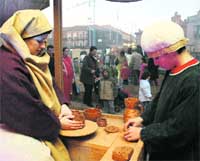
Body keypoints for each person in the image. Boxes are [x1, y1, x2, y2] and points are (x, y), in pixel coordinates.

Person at [0, 10, 84, 161]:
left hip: (39, 119)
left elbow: (49, 83)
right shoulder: (6, 66)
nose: (43, 46)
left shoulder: (31, 57)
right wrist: (56, 123)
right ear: (20, 38)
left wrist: (63, 104)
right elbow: (24, 110)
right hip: (12, 127)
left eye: (45, 41)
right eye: (39, 41)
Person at [124, 21, 200, 161]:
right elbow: (159, 100)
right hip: (162, 146)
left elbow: (181, 129)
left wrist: (144, 133)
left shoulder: (194, 80)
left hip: (179, 155)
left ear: (171, 50)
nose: (156, 63)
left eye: (157, 58)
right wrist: (143, 118)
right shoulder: (172, 70)